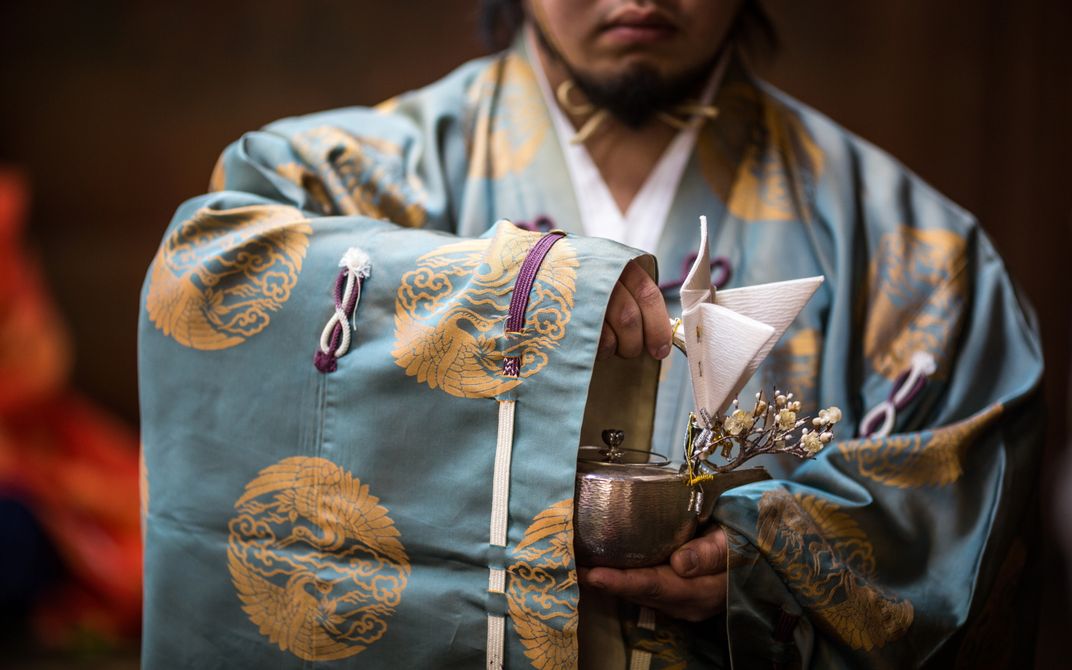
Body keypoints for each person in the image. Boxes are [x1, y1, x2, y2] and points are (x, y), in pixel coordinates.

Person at [138, 1, 1044, 667]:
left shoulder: (917, 252)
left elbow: (959, 511)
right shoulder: (363, 176)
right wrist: (527, 290)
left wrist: (764, 555)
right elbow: (212, 265)